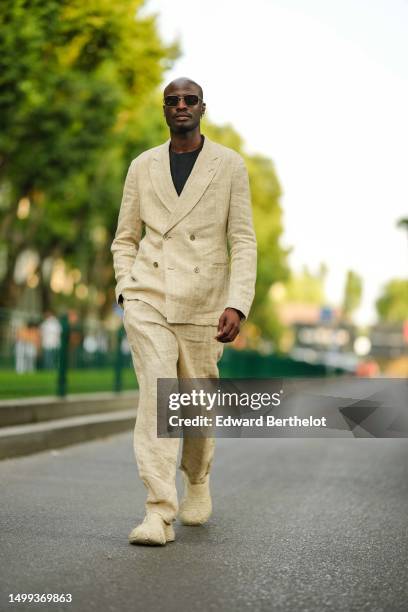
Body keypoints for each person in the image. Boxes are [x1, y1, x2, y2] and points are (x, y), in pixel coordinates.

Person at [110, 77, 257, 545]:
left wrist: (237, 302)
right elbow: (125, 238)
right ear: (164, 109)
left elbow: (243, 240)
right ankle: (157, 511)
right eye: (172, 100)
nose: (180, 106)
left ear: (202, 108)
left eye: (188, 99)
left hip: (204, 301)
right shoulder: (142, 165)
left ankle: (197, 478)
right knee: (159, 394)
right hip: (148, 293)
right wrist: (124, 289)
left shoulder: (229, 165)